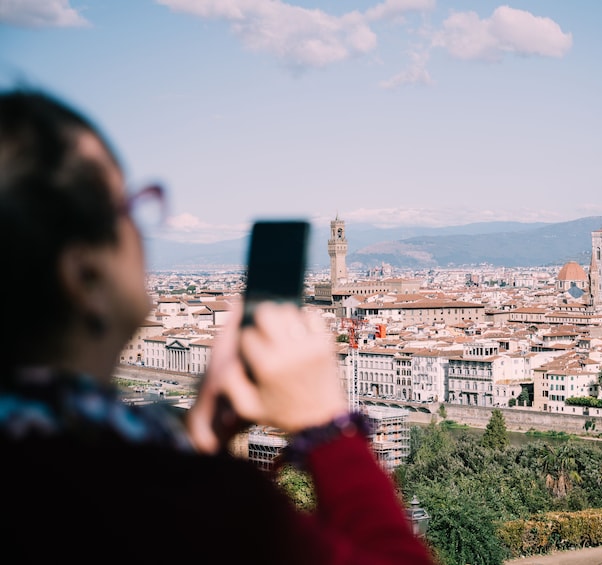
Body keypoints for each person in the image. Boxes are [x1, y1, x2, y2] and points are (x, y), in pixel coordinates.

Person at [0, 89, 435, 564]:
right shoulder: (191, 504)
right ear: (84, 275)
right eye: (128, 208)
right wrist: (327, 428)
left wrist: (199, 435)